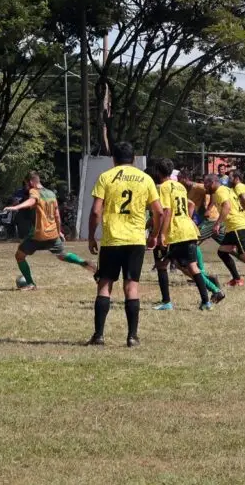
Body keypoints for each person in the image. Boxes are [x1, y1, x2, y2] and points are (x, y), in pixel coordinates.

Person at [87, 142, 163, 347]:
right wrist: (154, 235)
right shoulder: (145, 179)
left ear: (114, 158)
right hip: (135, 240)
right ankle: (132, 337)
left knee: (105, 285)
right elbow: (159, 211)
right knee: (131, 287)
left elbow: (95, 211)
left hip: (112, 239)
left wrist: (91, 236)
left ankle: (99, 335)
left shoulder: (106, 177)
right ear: (135, 159)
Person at [151, 158, 223, 311]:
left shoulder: (163, 187)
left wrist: (161, 235)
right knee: (193, 267)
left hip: (175, 232)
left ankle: (166, 302)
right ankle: (206, 302)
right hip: (189, 229)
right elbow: (189, 204)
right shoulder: (180, 187)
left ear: (157, 171)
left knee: (161, 265)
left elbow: (167, 211)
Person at [3, 172, 94, 290]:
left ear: (30, 182)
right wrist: (59, 231)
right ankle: (83, 263)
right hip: (52, 234)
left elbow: (32, 201)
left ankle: (30, 283)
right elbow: (57, 215)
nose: (26, 188)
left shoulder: (34, 191)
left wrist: (16, 207)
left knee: (19, 256)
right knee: (62, 255)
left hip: (39, 234)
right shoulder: (51, 193)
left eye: (26, 185)